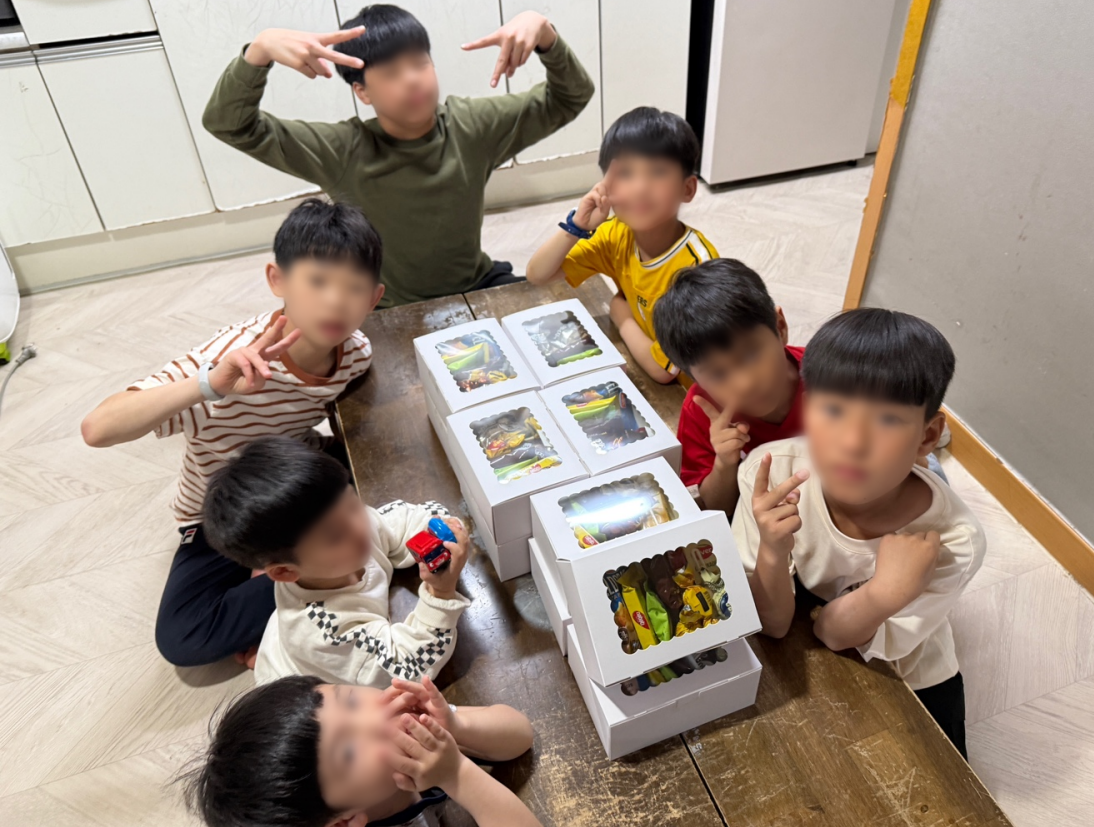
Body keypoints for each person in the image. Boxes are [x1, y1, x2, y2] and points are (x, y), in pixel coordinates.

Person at [80, 199, 384, 668]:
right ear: (278, 280)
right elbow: (97, 428)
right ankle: (308, 589)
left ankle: (304, 583)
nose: (335, 302)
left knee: (387, 470)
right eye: (318, 281)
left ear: (374, 298)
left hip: (296, 479)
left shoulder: (356, 352)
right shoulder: (230, 357)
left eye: (354, 287)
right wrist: (208, 384)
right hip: (223, 510)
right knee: (185, 637)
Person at [202, 4, 594, 307]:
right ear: (362, 91)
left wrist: (545, 34)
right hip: (383, 303)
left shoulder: (471, 126)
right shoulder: (343, 149)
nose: (411, 79)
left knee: (563, 324)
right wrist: (259, 52)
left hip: (476, 283)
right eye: (390, 73)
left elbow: (571, 96)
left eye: (419, 63)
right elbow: (230, 124)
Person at [733, 308, 984, 758]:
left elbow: (833, 633)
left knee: (938, 772)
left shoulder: (955, 540)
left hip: (899, 665)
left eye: (887, 420)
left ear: (928, 436)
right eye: (832, 411)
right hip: (805, 617)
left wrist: (886, 594)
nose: (852, 443)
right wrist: (772, 548)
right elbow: (773, 624)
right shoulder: (771, 474)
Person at [204, 436, 471, 687]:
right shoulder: (326, 632)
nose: (360, 527)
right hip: (301, 689)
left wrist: (440, 528)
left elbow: (401, 520)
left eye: (353, 504)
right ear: (285, 571)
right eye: (335, 536)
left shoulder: (346, 528)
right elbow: (407, 668)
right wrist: (440, 594)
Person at [180, 674, 539, 827]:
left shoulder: (415, 744)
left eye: (350, 701)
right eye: (349, 752)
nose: (371, 721)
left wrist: (458, 728)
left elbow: (520, 735)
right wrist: (457, 774)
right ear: (344, 822)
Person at [526, 106, 716, 384]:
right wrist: (577, 227)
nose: (640, 188)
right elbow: (538, 274)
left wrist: (621, 315)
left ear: (687, 189)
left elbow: (663, 371)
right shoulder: (616, 234)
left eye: (658, 172)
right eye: (625, 173)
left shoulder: (697, 269)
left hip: (695, 394)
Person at [651, 259, 803, 517]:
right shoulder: (701, 411)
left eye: (752, 353)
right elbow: (715, 509)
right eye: (718, 374)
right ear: (694, 378)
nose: (745, 384)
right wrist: (724, 461)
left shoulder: (833, 377)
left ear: (780, 327)